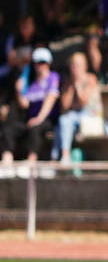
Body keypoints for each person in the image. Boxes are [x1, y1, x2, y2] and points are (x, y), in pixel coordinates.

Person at [1, 48, 61, 178]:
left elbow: (50, 99)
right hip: (31, 119)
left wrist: (39, 118)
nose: (39, 65)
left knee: (35, 127)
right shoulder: (33, 84)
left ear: (48, 63)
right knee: (9, 128)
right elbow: (25, 104)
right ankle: (7, 161)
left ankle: (31, 161)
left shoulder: (53, 77)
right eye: (36, 62)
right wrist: (18, 90)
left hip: (48, 119)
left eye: (42, 62)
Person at [53, 51, 105, 163]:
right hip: (74, 117)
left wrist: (77, 86)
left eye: (78, 65)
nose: (75, 68)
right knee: (63, 121)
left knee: (67, 121)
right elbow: (65, 106)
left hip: (90, 114)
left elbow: (83, 102)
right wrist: (71, 88)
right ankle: (63, 155)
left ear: (85, 66)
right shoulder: (67, 82)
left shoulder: (91, 79)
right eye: (73, 65)